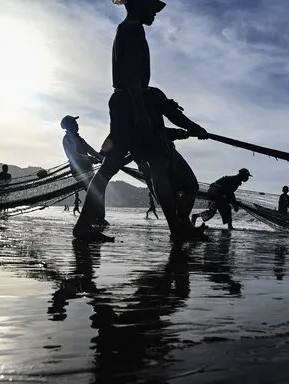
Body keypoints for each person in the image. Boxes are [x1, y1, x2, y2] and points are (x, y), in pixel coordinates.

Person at [75, 0, 206, 241]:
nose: (155, 13)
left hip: (123, 104)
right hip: (132, 107)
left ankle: (83, 226)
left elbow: (131, 80)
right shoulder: (133, 30)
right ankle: (176, 230)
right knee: (156, 168)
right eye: (152, 7)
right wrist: (141, 112)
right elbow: (133, 76)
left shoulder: (125, 29)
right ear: (138, 5)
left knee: (109, 169)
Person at [61, 115, 103, 190]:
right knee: (93, 191)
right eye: (74, 123)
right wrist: (90, 158)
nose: (77, 125)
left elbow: (90, 150)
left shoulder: (79, 139)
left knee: (96, 190)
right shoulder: (67, 139)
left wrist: (101, 157)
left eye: (76, 123)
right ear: (69, 126)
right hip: (78, 169)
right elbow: (74, 156)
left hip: (87, 168)